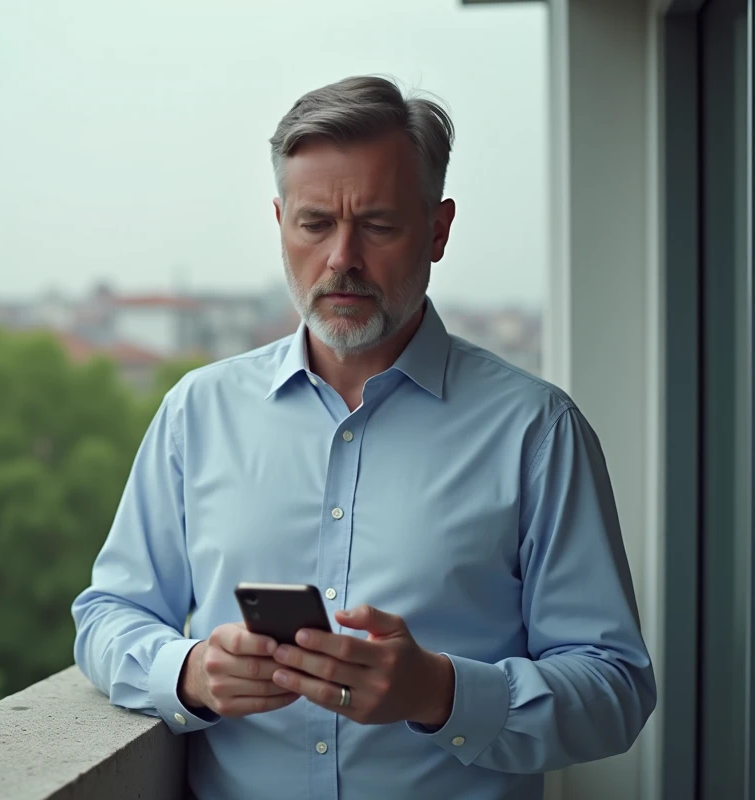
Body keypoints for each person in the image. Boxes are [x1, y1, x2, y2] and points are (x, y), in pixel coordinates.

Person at [71, 75, 655, 800]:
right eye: (315, 224)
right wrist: (185, 672)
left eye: (377, 225)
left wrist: (440, 693)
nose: (342, 258)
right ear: (280, 221)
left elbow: (616, 689)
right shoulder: (198, 412)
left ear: (437, 230)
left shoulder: (536, 432)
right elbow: (107, 614)